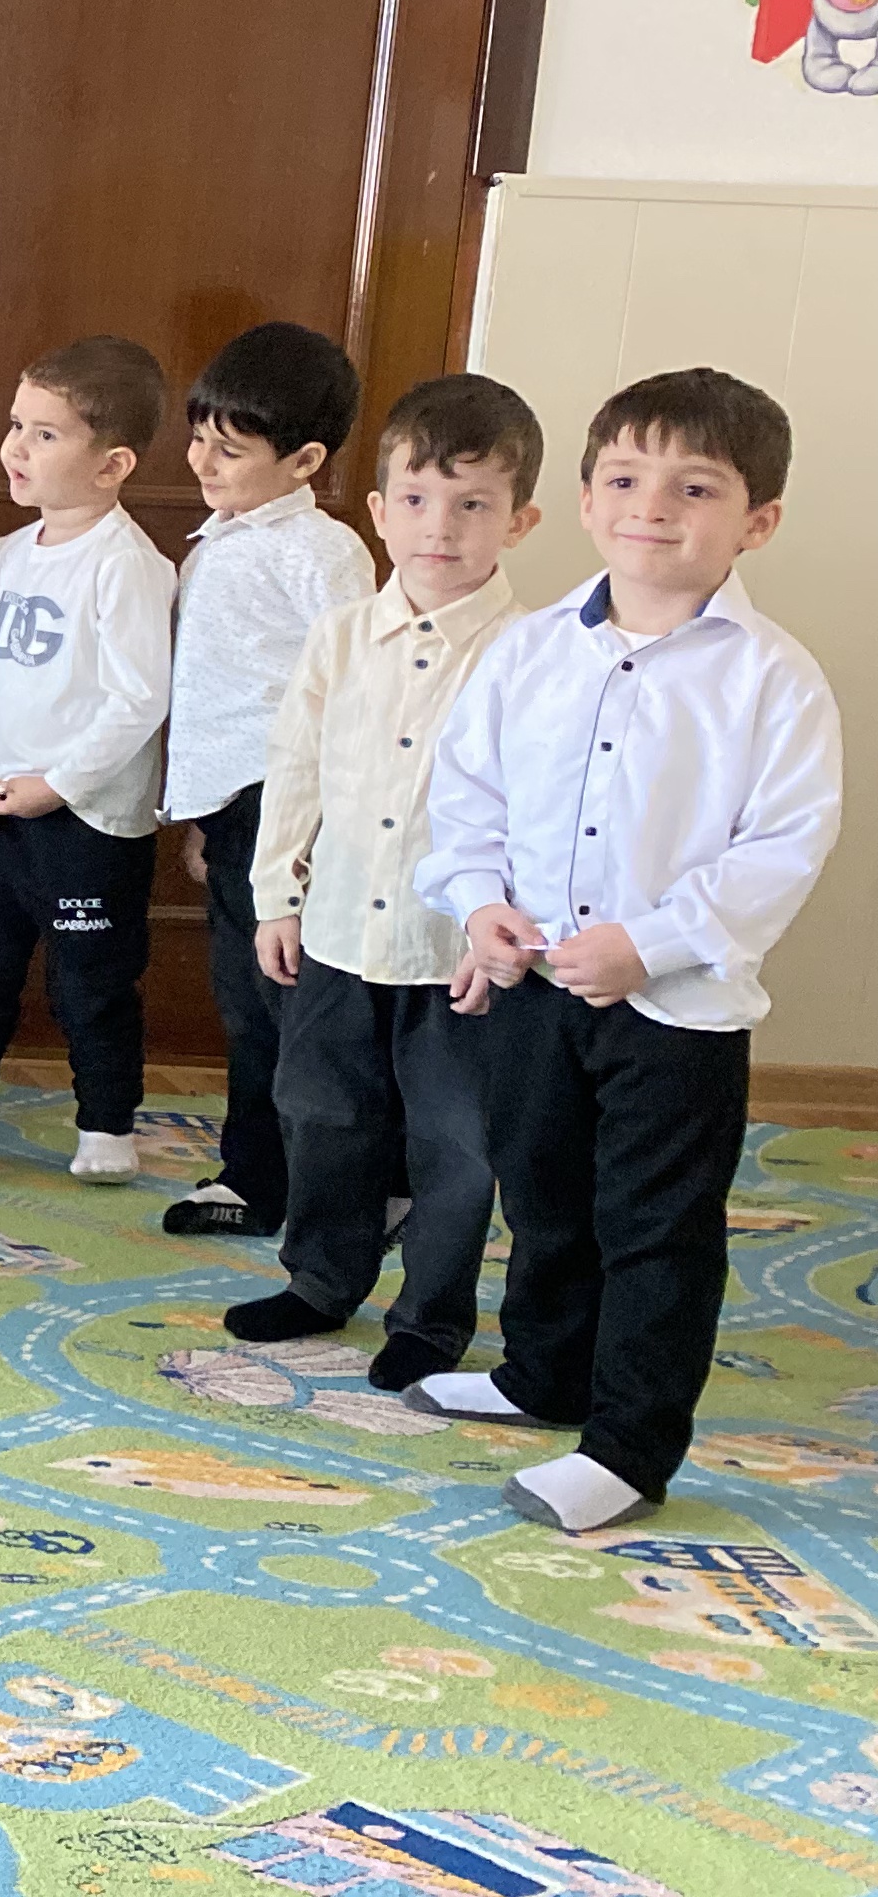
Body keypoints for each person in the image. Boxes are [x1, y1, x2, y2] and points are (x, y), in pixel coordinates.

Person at [413, 367, 843, 1533]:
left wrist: (649, 946)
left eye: (694, 487)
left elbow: (781, 849)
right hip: (535, 990)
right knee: (543, 1194)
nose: (652, 506)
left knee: (655, 1227)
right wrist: (481, 905)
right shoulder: (529, 652)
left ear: (757, 521)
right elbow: (468, 797)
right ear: (587, 501)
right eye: (623, 479)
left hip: (676, 1013)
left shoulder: (773, 680)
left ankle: (629, 1447)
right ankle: (543, 1374)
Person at [222, 373, 542, 1386]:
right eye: (416, 499)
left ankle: (430, 1320)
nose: (439, 527)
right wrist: (277, 895)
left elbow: (543, 812)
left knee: (456, 1141)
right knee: (321, 1112)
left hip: (455, 952)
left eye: (473, 504)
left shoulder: (533, 655)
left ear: (520, 521)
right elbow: (297, 768)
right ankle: (320, 1279)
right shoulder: (341, 636)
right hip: (336, 932)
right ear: (378, 510)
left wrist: (505, 933)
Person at [0, 335, 177, 1182]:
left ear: (112, 465)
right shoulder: (12, 554)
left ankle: (106, 1126)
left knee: (90, 981)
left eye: (45, 434)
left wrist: (57, 785)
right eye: (16, 426)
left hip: (86, 821)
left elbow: (139, 699)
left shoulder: (127, 567)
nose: (16, 447)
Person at [158, 320, 372, 1238]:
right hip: (234, 808)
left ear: (304, 460)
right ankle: (260, 1174)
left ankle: (323, 1184)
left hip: (289, 808)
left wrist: (309, 827)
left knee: (292, 1008)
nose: (202, 460)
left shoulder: (319, 550)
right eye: (199, 437)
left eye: (229, 449)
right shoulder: (222, 537)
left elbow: (357, 686)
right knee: (247, 1005)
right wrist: (202, 819)